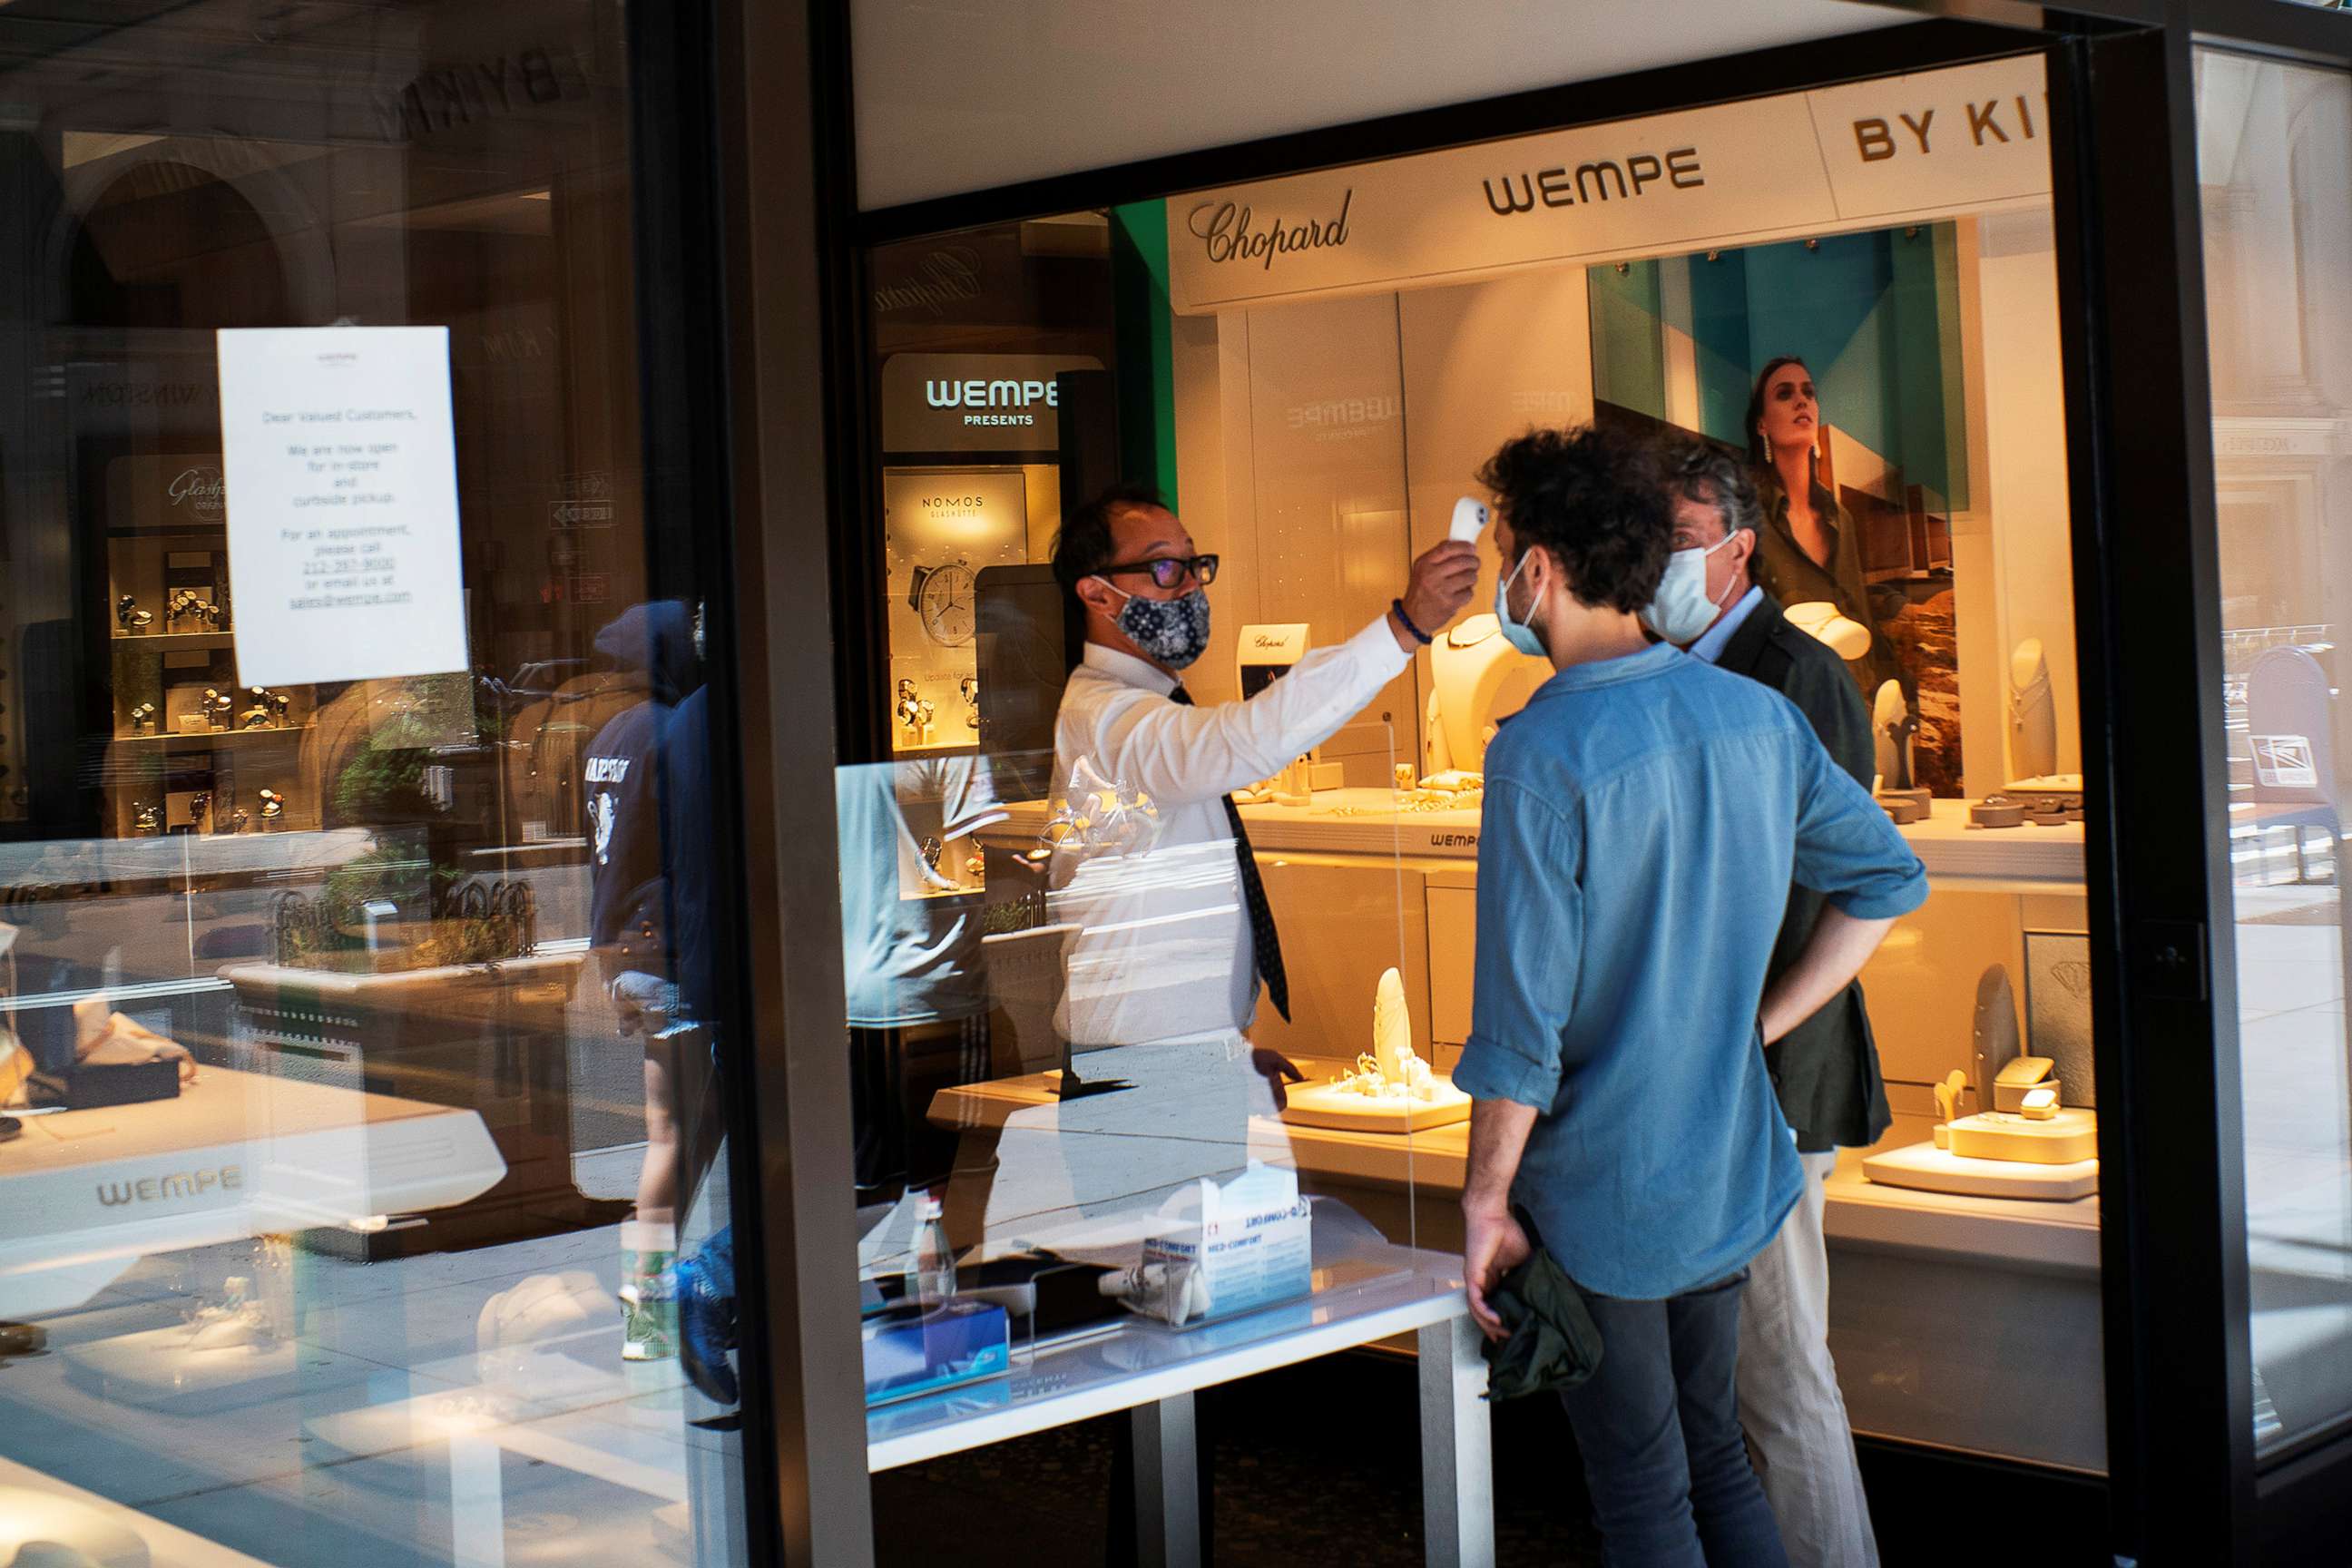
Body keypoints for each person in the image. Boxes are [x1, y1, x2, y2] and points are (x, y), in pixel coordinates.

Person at [1455, 425, 1926, 1567]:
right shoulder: (1752, 718)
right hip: (1726, 1160)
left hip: (1599, 1183)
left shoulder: (1541, 749)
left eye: (1506, 547)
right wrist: (1752, 1025)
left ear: (1545, 568)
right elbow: (1887, 879)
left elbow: (1523, 1025)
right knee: (1717, 1459)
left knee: (1642, 1491)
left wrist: (1484, 1199)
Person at [1649, 439, 1889, 1568]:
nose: (1658, 563)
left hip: (1769, 1079)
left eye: (1680, 543)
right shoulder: (1676, 667)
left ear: (1740, 550)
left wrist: (1744, 1034)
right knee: (1744, 1379)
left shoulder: (1796, 676)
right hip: (1710, 1079)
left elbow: (1832, 889)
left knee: (1782, 1372)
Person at [1744, 357, 1896, 692]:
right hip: (1790, 702)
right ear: (1762, 425)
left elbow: (1861, 615)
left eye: (1809, 393)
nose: (1802, 401)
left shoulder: (1840, 518)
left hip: (1854, 697)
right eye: (1784, 394)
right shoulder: (1748, 520)